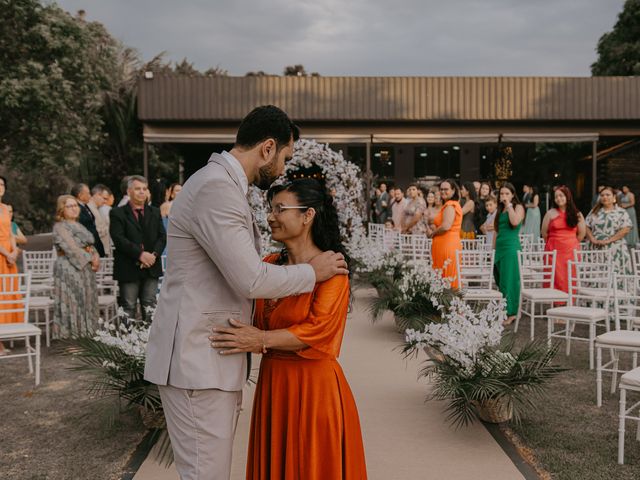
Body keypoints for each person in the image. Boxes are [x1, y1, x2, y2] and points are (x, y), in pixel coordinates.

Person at [143, 105, 348, 480]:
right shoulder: (217, 188)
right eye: (285, 157)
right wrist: (310, 272)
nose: (284, 169)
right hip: (197, 362)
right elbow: (250, 280)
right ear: (268, 148)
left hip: (210, 360)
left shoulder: (221, 185)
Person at [209, 179, 367, 479]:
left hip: (314, 387)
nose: (270, 216)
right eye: (270, 208)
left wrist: (260, 339)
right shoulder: (268, 264)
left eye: (280, 208)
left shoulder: (333, 270)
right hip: (274, 382)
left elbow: (318, 329)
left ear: (308, 215)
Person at [109, 176, 166, 321]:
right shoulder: (117, 213)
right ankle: (127, 342)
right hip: (128, 267)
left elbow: (162, 237)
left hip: (151, 266)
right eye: (137, 188)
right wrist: (140, 255)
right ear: (129, 191)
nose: (142, 192)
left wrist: (153, 255)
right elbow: (119, 239)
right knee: (128, 306)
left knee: (150, 305)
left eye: (144, 189)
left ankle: (150, 341)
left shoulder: (155, 212)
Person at [52, 195, 100, 337]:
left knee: (85, 300)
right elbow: (71, 248)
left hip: (86, 270)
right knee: (72, 301)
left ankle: (86, 335)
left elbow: (90, 246)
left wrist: (96, 257)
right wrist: (91, 258)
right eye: (69, 206)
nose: (74, 209)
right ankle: (71, 339)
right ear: (62, 209)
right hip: (69, 268)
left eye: (75, 205)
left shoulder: (80, 226)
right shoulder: (59, 227)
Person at [541, 186, 586, 292]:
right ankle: (554, 302)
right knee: (554, 276)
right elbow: (544, 232)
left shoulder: (577, 214)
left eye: (561, 195)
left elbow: (582, 233)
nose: (558, 198)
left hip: (570, 250)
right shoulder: (550, 213)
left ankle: (568, 301)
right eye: (556, 196)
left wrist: (571, 242)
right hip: (554, 250)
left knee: (569, 275)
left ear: (567, 197)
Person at [493, 183, 525, 325]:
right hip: (500, 248)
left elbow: (515, 221)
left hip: (511, 248)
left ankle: (512, 313)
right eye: (502, 194)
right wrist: (492, 250)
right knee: (501, 281)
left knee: (510, 280)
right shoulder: (500, 210)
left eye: (507, 194)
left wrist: (510, 205)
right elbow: (496, 230)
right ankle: (504, 309)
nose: (504, 196)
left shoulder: (517, 207)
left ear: (512, 194)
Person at [585, 186, 633, 275]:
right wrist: (592, 239)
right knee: (596, 274)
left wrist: (609, 240)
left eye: (608, 195)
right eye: (602, 195)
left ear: (614, 198)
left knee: (614, 274)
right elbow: (586, 226)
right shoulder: (594, 212)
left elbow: (626, 229)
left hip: (615, 249)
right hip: (595, 248)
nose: (604, 197)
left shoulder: (621, 212)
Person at [0, 177, 22, 355]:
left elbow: (11, 234)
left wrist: (14, 251)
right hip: (1, 256)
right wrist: (6, 254)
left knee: (7, 296)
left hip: (9, 257)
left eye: (1, 184)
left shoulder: (6, 208)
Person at [428, 179, 462, 288]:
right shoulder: (448, 205)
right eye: (441, 189)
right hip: (446, 244)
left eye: (446, 189)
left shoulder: (450, 205)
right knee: (444, 276)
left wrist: (432, 233)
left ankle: (448, 303)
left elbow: (446, 226)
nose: (443, 191)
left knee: (447, 277)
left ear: (453, 191)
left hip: (447, 246)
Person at [72, 183, 106, 257]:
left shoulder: (85, 206)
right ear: (80, 195)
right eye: (87, 193)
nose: (90, 196)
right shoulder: (75, 208)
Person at [88, 184, 112, 256]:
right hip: (95, 252)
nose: (105, 201)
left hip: (101, 251)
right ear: (96, 195)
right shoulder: (89, 209)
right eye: (104, 198)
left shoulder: (97, 209)